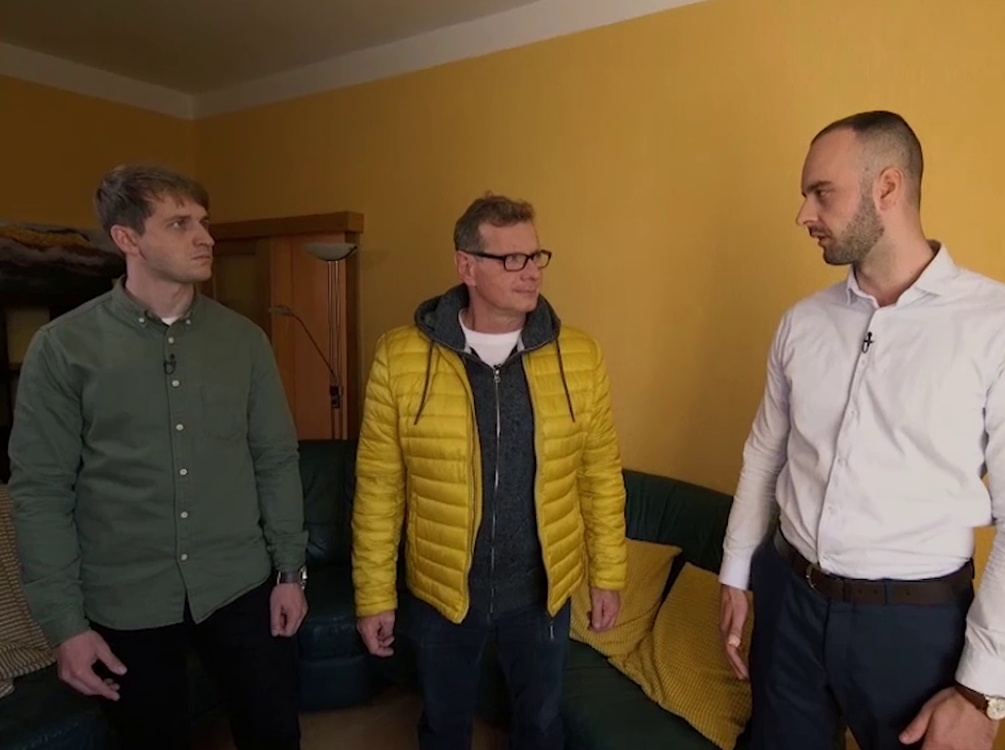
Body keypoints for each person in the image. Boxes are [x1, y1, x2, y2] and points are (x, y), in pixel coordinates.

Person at [718, 111, 1005, 750]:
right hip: (789, 602)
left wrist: (982, 692)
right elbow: (765, 453)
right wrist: (736, 570)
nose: (803, 214)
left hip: (913, 629)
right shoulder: (802, 323)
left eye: (821, 192)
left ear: (887, 187)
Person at [7, 165, 309, 750]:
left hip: (239, 585)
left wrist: (290, 573)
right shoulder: (63, 348)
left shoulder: (245, 341)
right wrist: (65, 625)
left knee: (274, 733)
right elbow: (40, 491)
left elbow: (275, 459)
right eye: (179, 223)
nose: (205, 237)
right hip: (126, 598)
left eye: (204, 222)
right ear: (128, 239)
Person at [352, 192, 628, 749]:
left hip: (541, 591)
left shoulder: (580, 355)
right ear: (466, 266)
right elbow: (379, 488)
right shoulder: (400, 357)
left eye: (536, 256)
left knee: (541, 726)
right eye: (511, 259)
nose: (531, 272)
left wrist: (608, 575)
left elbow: (599, 476)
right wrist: (374, 595)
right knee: (444, 726)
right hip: (443, 590)